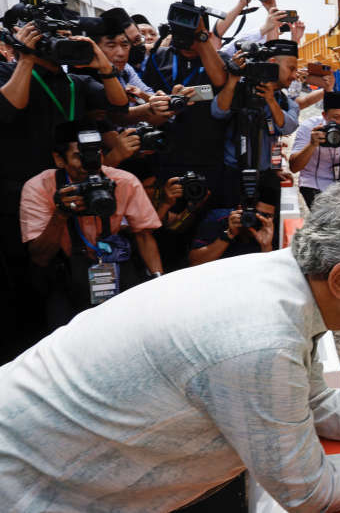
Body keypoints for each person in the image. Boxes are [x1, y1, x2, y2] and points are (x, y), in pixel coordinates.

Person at [0, 180, 340, 512]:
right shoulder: (260, 340)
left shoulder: (283, 283)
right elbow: (308, 490)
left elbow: (313, 402)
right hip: (31, 483)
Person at [0, 20, 130, 361]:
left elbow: (118, 106)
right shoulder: (6, 72)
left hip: (76, 189)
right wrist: (25, 58)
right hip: (18, 198)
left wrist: (102, 63)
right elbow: (7, 112)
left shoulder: (76, 82)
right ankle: (27, 359)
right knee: (30, 281)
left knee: (73, 274)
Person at [19, 120, 163, 331]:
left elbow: (143, 235)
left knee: (132, 330)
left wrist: (159, 283)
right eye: (79, 156)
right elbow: (40, 257)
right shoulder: (38, 188)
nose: (89, 163)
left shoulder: (124, 182)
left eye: (95, 153)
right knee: (63, 339)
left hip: (114, 267)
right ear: (59, 159)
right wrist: (60, 213)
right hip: (67, 275)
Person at [141, 5, 231, 207]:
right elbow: (145, 102)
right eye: (183, 36)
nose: (189, 44)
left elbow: (219, 80)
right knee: (168, 221)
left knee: (204, 218)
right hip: (165, 155)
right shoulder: (159, 58)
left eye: (195, 37)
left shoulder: (219, 59)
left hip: (208, 156)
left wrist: (200, 35)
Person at [211, 40, 300, 207]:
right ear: (273, 63)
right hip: (233, 173)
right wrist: (233, 80)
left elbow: (288, 127)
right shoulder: (241, 91)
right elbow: (218, 112)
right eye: (291, 68)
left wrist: (271, 101)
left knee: (266, 225)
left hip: (267, 175)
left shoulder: (286, 103)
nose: (295, 75)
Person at [187, 183, 279, 266]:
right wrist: (228, 234)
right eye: (255, 213)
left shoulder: (271, 236)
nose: (259, 219)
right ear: (240, 209)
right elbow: (195, 263)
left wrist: (266, 247)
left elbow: (270, 277)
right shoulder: (218, 219)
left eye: (267, 216)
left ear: (274, 218)